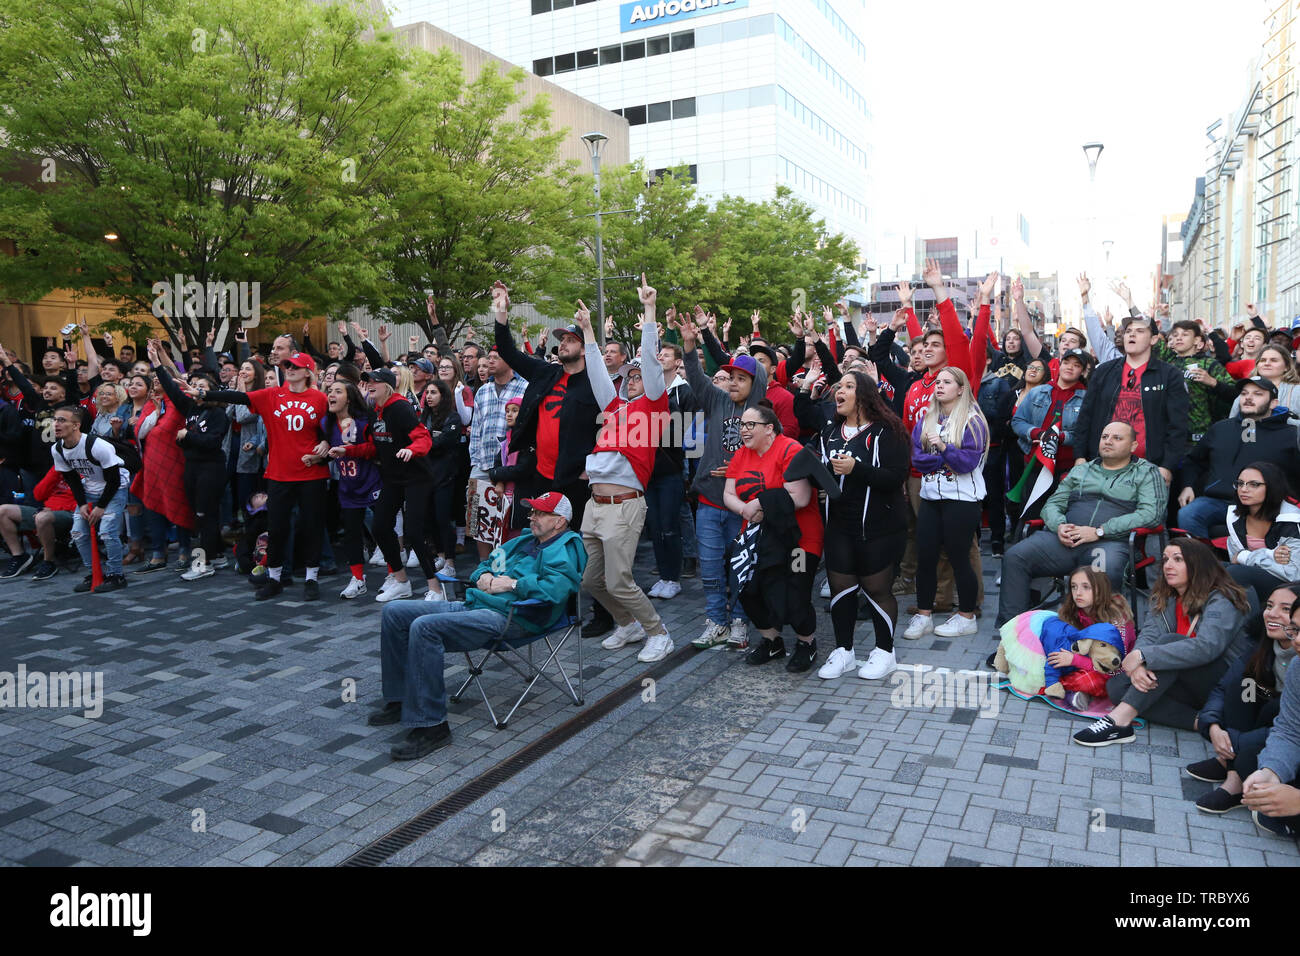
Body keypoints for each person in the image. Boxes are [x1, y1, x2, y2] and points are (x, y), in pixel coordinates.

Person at [371, 492, 586, 760]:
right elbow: (484, 565)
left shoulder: (565, 549)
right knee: (394, 611)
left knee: (425, 628)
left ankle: (432, 725)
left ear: (560, 522)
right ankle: (400, 698)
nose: (532, 517)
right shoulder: (521, 543)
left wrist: (512, 584)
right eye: (532, 512)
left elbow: (554, 590)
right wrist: (484, 576)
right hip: (479, 604)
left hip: (515, 618)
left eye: (540, 513)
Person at [1073, 538, 1251, 746]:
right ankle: (1200, 722)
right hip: (1182, 678)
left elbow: (1206, 647)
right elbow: (1149, 634)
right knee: (1117, 687)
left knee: (1170, 643)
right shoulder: (1166, 596)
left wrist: (1145, 656)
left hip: (1222, 681)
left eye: (1177, 559)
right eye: (1165, 559)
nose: (1168, 565)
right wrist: (1139, 664)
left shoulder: (1222, 598)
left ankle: (1118, 721)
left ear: (1197, 564)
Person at [578, 279, 674, 662]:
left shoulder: (653, 405)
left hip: (624, 504)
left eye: (637, 376)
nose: (632, 380)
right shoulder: (615, 407)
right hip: (595, 504)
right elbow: (598, 375)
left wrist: (649, 313)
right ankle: (627, 624)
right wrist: (587, 331)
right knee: (591, 580)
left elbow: (650, 365)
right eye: (629, 377)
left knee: (619, 579)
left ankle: (658, 632)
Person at [995, 421, 1167, 630]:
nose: (1108, 441)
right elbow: (1053, 504)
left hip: (1109, 542)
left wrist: (1100, 531)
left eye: (1117, 438)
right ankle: (1014, 635)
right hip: (1064, 538)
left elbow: (1152, 514)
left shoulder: (1146, 473)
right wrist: (1059, 526)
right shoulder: (1081, 471)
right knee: (1015, 556)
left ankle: (1098, 637)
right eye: (1105, 437)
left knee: (1104, 570)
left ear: (1133, 446)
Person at [799, 371, 911, 680]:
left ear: (864, 394)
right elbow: (824, 471)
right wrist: (820, 477)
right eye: (838, 387)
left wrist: (857, 469)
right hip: (839, 524)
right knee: (840, 588)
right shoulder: (830, 432)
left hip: (880, 525)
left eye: (848, 386)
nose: (840, 391)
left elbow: (895, 477)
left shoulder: (888, 430)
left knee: (877, 589)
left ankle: (885, 651)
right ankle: (844, 651)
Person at [675, 309, 769, 649]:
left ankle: (741, 621)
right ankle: (716, 621)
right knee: (711, 568)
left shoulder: (764, 414)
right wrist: (689, 345)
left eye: (740, 378)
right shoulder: (716, 399)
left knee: (740, 568)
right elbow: (698, 379)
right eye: (729, 377)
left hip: (744, 505)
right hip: (709, 501)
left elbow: (771, 460)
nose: (732, 383)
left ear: (754, 382)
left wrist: (738, 471)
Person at [204, 351, 329, 601]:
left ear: (308, 372)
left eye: (295, 366)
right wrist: (204, 393)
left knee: (312, 526)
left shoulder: (320, 399)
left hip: (311, 474)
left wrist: (326, 443)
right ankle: (274, 578)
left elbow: (332, 430)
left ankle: (312, 578)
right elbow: (238, 397)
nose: (289, 369)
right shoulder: (272, 395)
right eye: (286, 365)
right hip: (279, 474)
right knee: (277, 527)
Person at [724, 403, 825, 672]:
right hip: (758, 540)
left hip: (799, 542)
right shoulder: (741, 454)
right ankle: (772, 641)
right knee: (747, 587)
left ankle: (806, 643)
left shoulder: (790, 449)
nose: (743, 430)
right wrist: (745, 509)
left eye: (749, 425)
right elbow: (728, 494)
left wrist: (758, 503)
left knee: (796, 592)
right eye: (741, 425)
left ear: (769, 428)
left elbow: (801, 498)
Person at [1188, 585, 1297, 814]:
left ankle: (1230, 764)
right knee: (1243, 685)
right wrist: (1214, 726)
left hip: (1279, 727)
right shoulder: (1262, 644)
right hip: (1265, 720)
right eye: (1269, 606)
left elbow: (1290, 729)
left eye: (1285, 609)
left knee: (1272, 711)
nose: (1272, 613)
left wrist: (1234, 742)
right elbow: (1222, 688)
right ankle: (1232, 775)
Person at [336, 367, 437, 603]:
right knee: (380, 527)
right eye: (368, 381)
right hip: (393, 478)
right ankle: (401, 582)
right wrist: (348, 450)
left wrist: (410, 450)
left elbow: (424, 438)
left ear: (388, 385)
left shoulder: (400, 407)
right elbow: (374, 446)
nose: (370, 384)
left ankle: (435, 587)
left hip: (416, 477)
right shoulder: (375, 411)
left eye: (375, 381)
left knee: (413, 531)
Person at [904, 367, 989, 639]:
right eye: (937, 382)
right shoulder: (927, 419)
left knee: (959, 558)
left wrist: (942, 447)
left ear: (961, 388)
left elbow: (967, 463)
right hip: (931, 497)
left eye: (947, 382)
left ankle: (966, 616)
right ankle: (924, 615)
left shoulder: (974, 420)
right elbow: (917, 460)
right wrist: (947, 456)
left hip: (962, 500)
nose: (939, 386)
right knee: (925, 557)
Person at [1071, 310, 1189, 484]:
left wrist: (1167, 466)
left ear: (1153, 339)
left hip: (1149, 469)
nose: (1132, 334)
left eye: (1140, 331)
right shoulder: (1104, 371)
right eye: (1128, 331)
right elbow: (1085, 416)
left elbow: (1178, 426)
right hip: (1102, 465)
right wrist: (1080, 456)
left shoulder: (1170, 375)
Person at [1177, 377, 1300, 537]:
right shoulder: (1221, 428)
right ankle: (1203, 560)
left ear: (1273, 403)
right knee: (1188, 513)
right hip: (1220, 501)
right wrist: (1188, 486)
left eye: (1257, 394)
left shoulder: (1291, 434)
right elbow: (1193, 461)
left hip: (1268, 505)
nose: (1248, 398)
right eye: (1244, 393)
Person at [150, 354, 231, 581]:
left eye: (202, 386)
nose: (196, 388)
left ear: (211, 390)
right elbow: (172, 390)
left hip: (211, 468)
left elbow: (213, 442)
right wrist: (157, 365)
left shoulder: (218, 414)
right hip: (192, 467)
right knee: (203, 515)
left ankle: (202, 563)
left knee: (204, 514)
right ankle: (217, 555)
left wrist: (189, 435)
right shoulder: (190, 409)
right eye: (194, 385)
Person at [51, 405, 130, 593]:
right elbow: (71, 478)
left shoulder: (98, 446)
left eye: (62, 420)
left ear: (76, 425)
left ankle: (116, 575)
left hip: (115, 488)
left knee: (107, 531)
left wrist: (101, 507)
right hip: (89, 490)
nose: (56, 424)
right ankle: (94, 573)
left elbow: (114, 479)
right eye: (55, 420)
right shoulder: (57, 449)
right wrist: (82, 504)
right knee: (78, 532)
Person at [644, 341, 698, 601]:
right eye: (659, 355)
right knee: (655, 524)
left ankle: (678, 569)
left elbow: (688, 431)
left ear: (678, 362)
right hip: (649, 469)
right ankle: (663, 574)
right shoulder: (648, 392)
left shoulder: (683, 391)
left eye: (666, 355)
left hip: (676, 462)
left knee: (673, 520)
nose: (661, 358)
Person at [319, 381, 381, 599]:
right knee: (351, 535)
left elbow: (375, 448)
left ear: (350, 397)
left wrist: (349, 450)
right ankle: (357, 578)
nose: (331, 395)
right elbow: (327, 445)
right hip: (347, 485)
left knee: (383, 531)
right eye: (330, 391)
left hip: (371, 482)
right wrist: (317, 454)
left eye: (338, 391)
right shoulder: (326, 422)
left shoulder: (364, 422)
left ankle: (395, 574)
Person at [1224, 462, 1300, 604]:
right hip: (1255, 577)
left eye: (1254, 484)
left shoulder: (1291, 520)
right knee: (1212, 569)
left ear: (1272, 487)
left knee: (1237, 573)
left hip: (1289, 587)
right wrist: (1269, 555)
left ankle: (1249, 625)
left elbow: (1293, 573)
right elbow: (1234, 558)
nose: (1244, 489)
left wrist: (1245, 556)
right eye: (1240, 483)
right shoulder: (1235, 518)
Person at [418, 377, 465, 568]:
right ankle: (440, 553)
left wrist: (427, 441)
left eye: (433, 392)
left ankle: (450, 562)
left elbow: (443, 442)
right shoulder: (424, 417)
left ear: (443, 395)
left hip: (445, 476)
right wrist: (429, 441)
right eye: (427, 393)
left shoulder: (452, 417)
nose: (429, 396)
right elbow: (420, 440)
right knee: (428, 519)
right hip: (426, 475)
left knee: (443, 518)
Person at [0, 464, 75, 581]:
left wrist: (55, 509)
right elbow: (38, 494)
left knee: (42, 517)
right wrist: (55, 472)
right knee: (3, 511)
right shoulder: (58, 467)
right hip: (46, 510)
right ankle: (19, 556)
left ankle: (49, 562)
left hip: (71, 513)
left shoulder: (85, 470)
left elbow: (88, 498)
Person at [1228, 344, 1300, 422]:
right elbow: (1232, 424)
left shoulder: (1297, 391)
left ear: (1287, 367)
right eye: (1262, 360)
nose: (1267, 363)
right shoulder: (1246, 391)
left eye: (1274, 360)